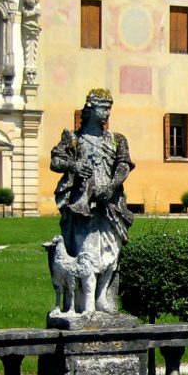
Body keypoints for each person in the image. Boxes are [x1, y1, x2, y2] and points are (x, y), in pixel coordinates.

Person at [50, 88, 134, 314]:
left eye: (109, 108)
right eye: (103, 108)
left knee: (112, 253)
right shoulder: (74, 139)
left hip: (110, 205)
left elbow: (124, 165)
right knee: (87, 253)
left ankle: (102, 297)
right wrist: (74, 166)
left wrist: (112, 186)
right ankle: (83, 303)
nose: (107, 113)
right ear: (90, 108)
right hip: (83, 206)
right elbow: (56, 161)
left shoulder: (116, 139)